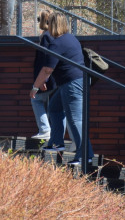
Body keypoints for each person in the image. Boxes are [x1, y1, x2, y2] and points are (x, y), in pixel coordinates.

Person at [31, 12, 94, 166]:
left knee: (76, 120)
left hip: (72, 84)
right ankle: (56, 142)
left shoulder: (57, 43)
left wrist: (35, 87)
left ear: (53, 24)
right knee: (54, 107)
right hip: (74, 82)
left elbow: (47, 69)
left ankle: (85, 155)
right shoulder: (71, 38)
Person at [29, 9, 55, 140]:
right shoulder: (53, 35)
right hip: (52, 79)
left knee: (36, 99)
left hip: (45, 78)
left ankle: (45, 129)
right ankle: (51, 132)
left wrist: (41, 81)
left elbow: (45, 60)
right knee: (50, 104)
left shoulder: (46, 36)